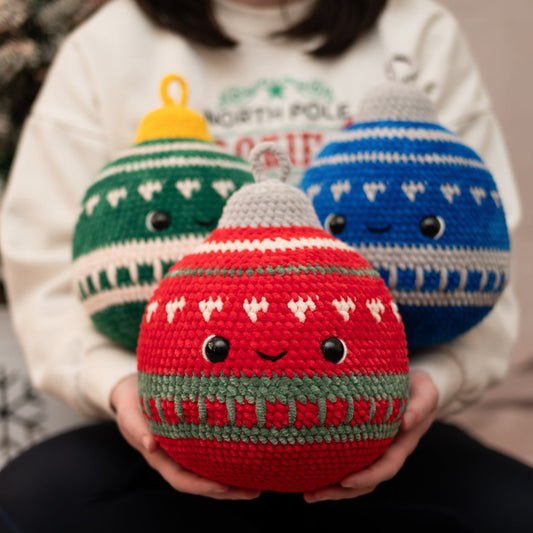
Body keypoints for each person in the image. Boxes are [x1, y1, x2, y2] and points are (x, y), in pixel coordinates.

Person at [0, 0, 532, 531]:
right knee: (27, 502)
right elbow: (44, 270)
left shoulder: (416, 29)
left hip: (379, 416)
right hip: (172, 420)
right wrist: (122, 388)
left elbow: (487, 255)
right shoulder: (109, 42)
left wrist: (424, 390)